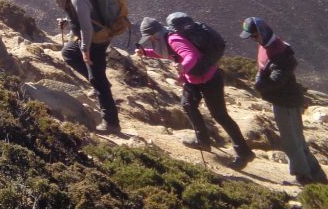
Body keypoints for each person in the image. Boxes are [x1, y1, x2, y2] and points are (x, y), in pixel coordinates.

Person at [136, 16, 255, 169]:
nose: (150, 40)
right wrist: (145, 52)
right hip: (193, 79)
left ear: (155, 34)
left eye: (150, 37)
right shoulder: (164, 40)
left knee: (220, 115)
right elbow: (168, 54)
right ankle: (203, 141)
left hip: (209, 78)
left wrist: (183, 67)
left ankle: (244, 152)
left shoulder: (173, 39)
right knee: (187, 104)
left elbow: (189, 55)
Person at [241, 17, 326, 185]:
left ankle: (303, 177)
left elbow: (276, 80)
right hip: (288, 99)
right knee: (297, 139)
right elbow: (264, 69)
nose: (253, 39)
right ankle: (317, 176)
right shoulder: (270, 46)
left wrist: (259, 85)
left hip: (285, 102)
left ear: (262, 32)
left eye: (254, 35)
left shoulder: (279, 52)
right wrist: (260, 78)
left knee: (290, 142)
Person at [43, 0, 120, 132]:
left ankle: (111, 122)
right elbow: (84, 17)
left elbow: (87, 27)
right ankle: (97, 81)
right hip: (90, 38)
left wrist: (85, 48)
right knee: (69, 53)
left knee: (98, 79)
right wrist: (67, 22)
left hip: (95, 42)